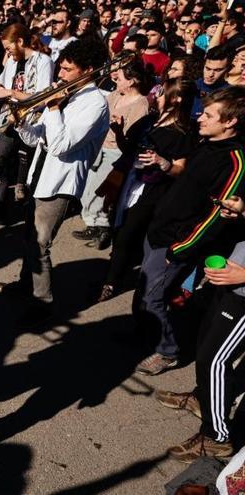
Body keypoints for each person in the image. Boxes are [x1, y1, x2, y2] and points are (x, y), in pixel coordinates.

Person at [0, 38, 110, 328]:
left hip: (60, 184)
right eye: (61, 66)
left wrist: (54, 108)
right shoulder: (65, 96)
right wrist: (21, 121)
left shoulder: (94, 104)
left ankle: (42, 303)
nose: (61, 74)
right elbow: (39, 139)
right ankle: (26, 285)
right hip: (40, 174)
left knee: (40, 244)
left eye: (68, 69)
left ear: (88, 70)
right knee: (29, 238)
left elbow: (61, 145)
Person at [134, 86, 245, 376]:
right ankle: (143, 336)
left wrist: (182, 248)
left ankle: (166, 351)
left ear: (230, 122)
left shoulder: (235, 161)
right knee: (144, 290)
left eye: (209, 114)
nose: (200, 116)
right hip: (159, 229)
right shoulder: (204, 144)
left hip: (177, 242)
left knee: (153, 296)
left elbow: (215, 217)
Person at [155, 193, 245, 464]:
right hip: (229, 282)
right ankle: (202, 398)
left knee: (214, 360)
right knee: (205, 343)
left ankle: (216, 437)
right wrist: (240, 213)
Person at [95, 78, 198, 303]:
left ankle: (112, 282)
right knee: (118, 229)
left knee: (127, 234)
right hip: (128, 182)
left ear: (176, 99)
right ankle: (117, 269)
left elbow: (180, 169)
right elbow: (128, 149)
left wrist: (162, 162)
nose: (156, 96)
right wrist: (119, 132)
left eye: (162, 93)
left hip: (153, 191)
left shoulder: (183, 132)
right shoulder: (149, 120)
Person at [0, 23, 53, 233]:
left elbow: (42, 98)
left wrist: (8, 93)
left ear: (20, 42)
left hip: (29, 123)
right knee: (3, 168)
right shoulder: (14, 62)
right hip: (9, 121)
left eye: (8, 48)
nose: (7, 53)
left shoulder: (43, 61)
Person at [73, 58, 151, 250]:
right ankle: (94, 222)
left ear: (132, 81)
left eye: (121, 77)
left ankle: (101, 227)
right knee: (87, 188)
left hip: (116, 152)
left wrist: (118, 129)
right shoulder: (115, 95)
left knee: (101, 190)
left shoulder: (141, 105)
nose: (115, 79)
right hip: (99, 146)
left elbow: (133, 137)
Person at [193, 47, 231, 118]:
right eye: (208, 69)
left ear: (228, 69)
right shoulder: (191, 86)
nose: (211, 74)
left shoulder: (230, 94)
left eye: (217, 70)